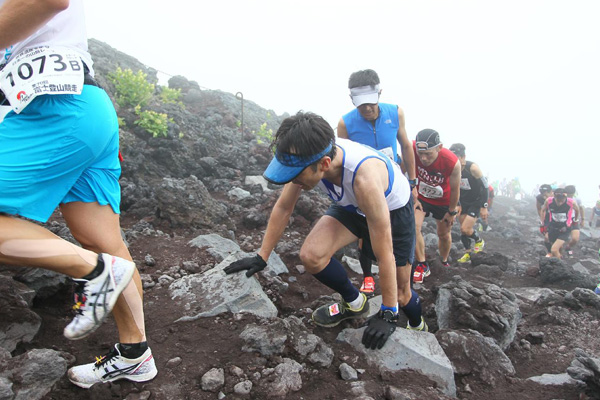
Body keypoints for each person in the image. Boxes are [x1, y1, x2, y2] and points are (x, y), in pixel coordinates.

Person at [0, 0, 156, 388]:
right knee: (104, 241)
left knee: (104, 256)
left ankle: (96, 272)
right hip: (89, 107)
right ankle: (136, 356)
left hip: (51, 110)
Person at [225, 112, 427, 351]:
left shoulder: (364, 179)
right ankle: (354, 303)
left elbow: (385, 254)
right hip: (352, 206)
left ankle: (419, 326)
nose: (294, 181)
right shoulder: (307, 154)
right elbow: (283, 207)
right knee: (312, 255)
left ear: (324, 164)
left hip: (391, 210)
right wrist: (262, 256)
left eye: (297, 175)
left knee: (402, 293)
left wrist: (388, 312)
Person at [337, 69, 417, 295]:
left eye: (371, 102)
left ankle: (401, 288)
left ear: (379, 93)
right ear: (352, 100)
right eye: (361, 104)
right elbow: (342, 162)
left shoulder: (395, 113)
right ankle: (368, 277)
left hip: (395, 186)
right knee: (366, 236)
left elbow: (406, 146)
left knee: (400, 234)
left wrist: (412, 181)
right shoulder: (345, 124)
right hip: (366, 188)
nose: (367, 109)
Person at [412, 129, 461, 283]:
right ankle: (422, 264)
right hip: (422, 197)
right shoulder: (412, 148)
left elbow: (455, 189)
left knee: (444, 234)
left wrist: (451, 212)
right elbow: (403, 168)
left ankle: (444, 260)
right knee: (413, 227)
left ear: (439, 148)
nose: (424, 158)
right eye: (421, 154)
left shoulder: (452, 162)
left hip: (443, 200)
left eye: (428, 153)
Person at [448, 144, 488, 263]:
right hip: (462, 202)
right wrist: (457, 203)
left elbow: (485, 187)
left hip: (476, 201)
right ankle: (468, 253)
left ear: (463, 156)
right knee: (462, 229)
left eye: (458, 158)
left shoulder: (473, 168)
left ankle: (479, 240)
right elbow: (454, 188)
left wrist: (484, 206)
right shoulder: (452, 169)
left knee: (466, 229)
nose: (455, 161)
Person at [540, 188, 580, 258]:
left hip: (565, 228)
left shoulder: (571, 202)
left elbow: (577, 210)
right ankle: (560, 259)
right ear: (554, 197)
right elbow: (543, 210)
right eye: (558, 200)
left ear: (566, 197)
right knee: (559, 248)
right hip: (553, 227)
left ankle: (559, 266)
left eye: (562, 201)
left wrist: (575, 220)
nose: (560, 203)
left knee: (554, 250)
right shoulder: (549, 201)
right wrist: (542, 224)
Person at [564, 185, 584, 256]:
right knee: (562, 238)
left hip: (574, 220)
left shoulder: (577, 199)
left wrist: (583, 219)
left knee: (575, 239)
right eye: (568, 195)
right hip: (563, 220)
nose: (569, 197)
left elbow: (581, 208)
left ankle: (568, 247)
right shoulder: (561, 198)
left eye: (571, 195)